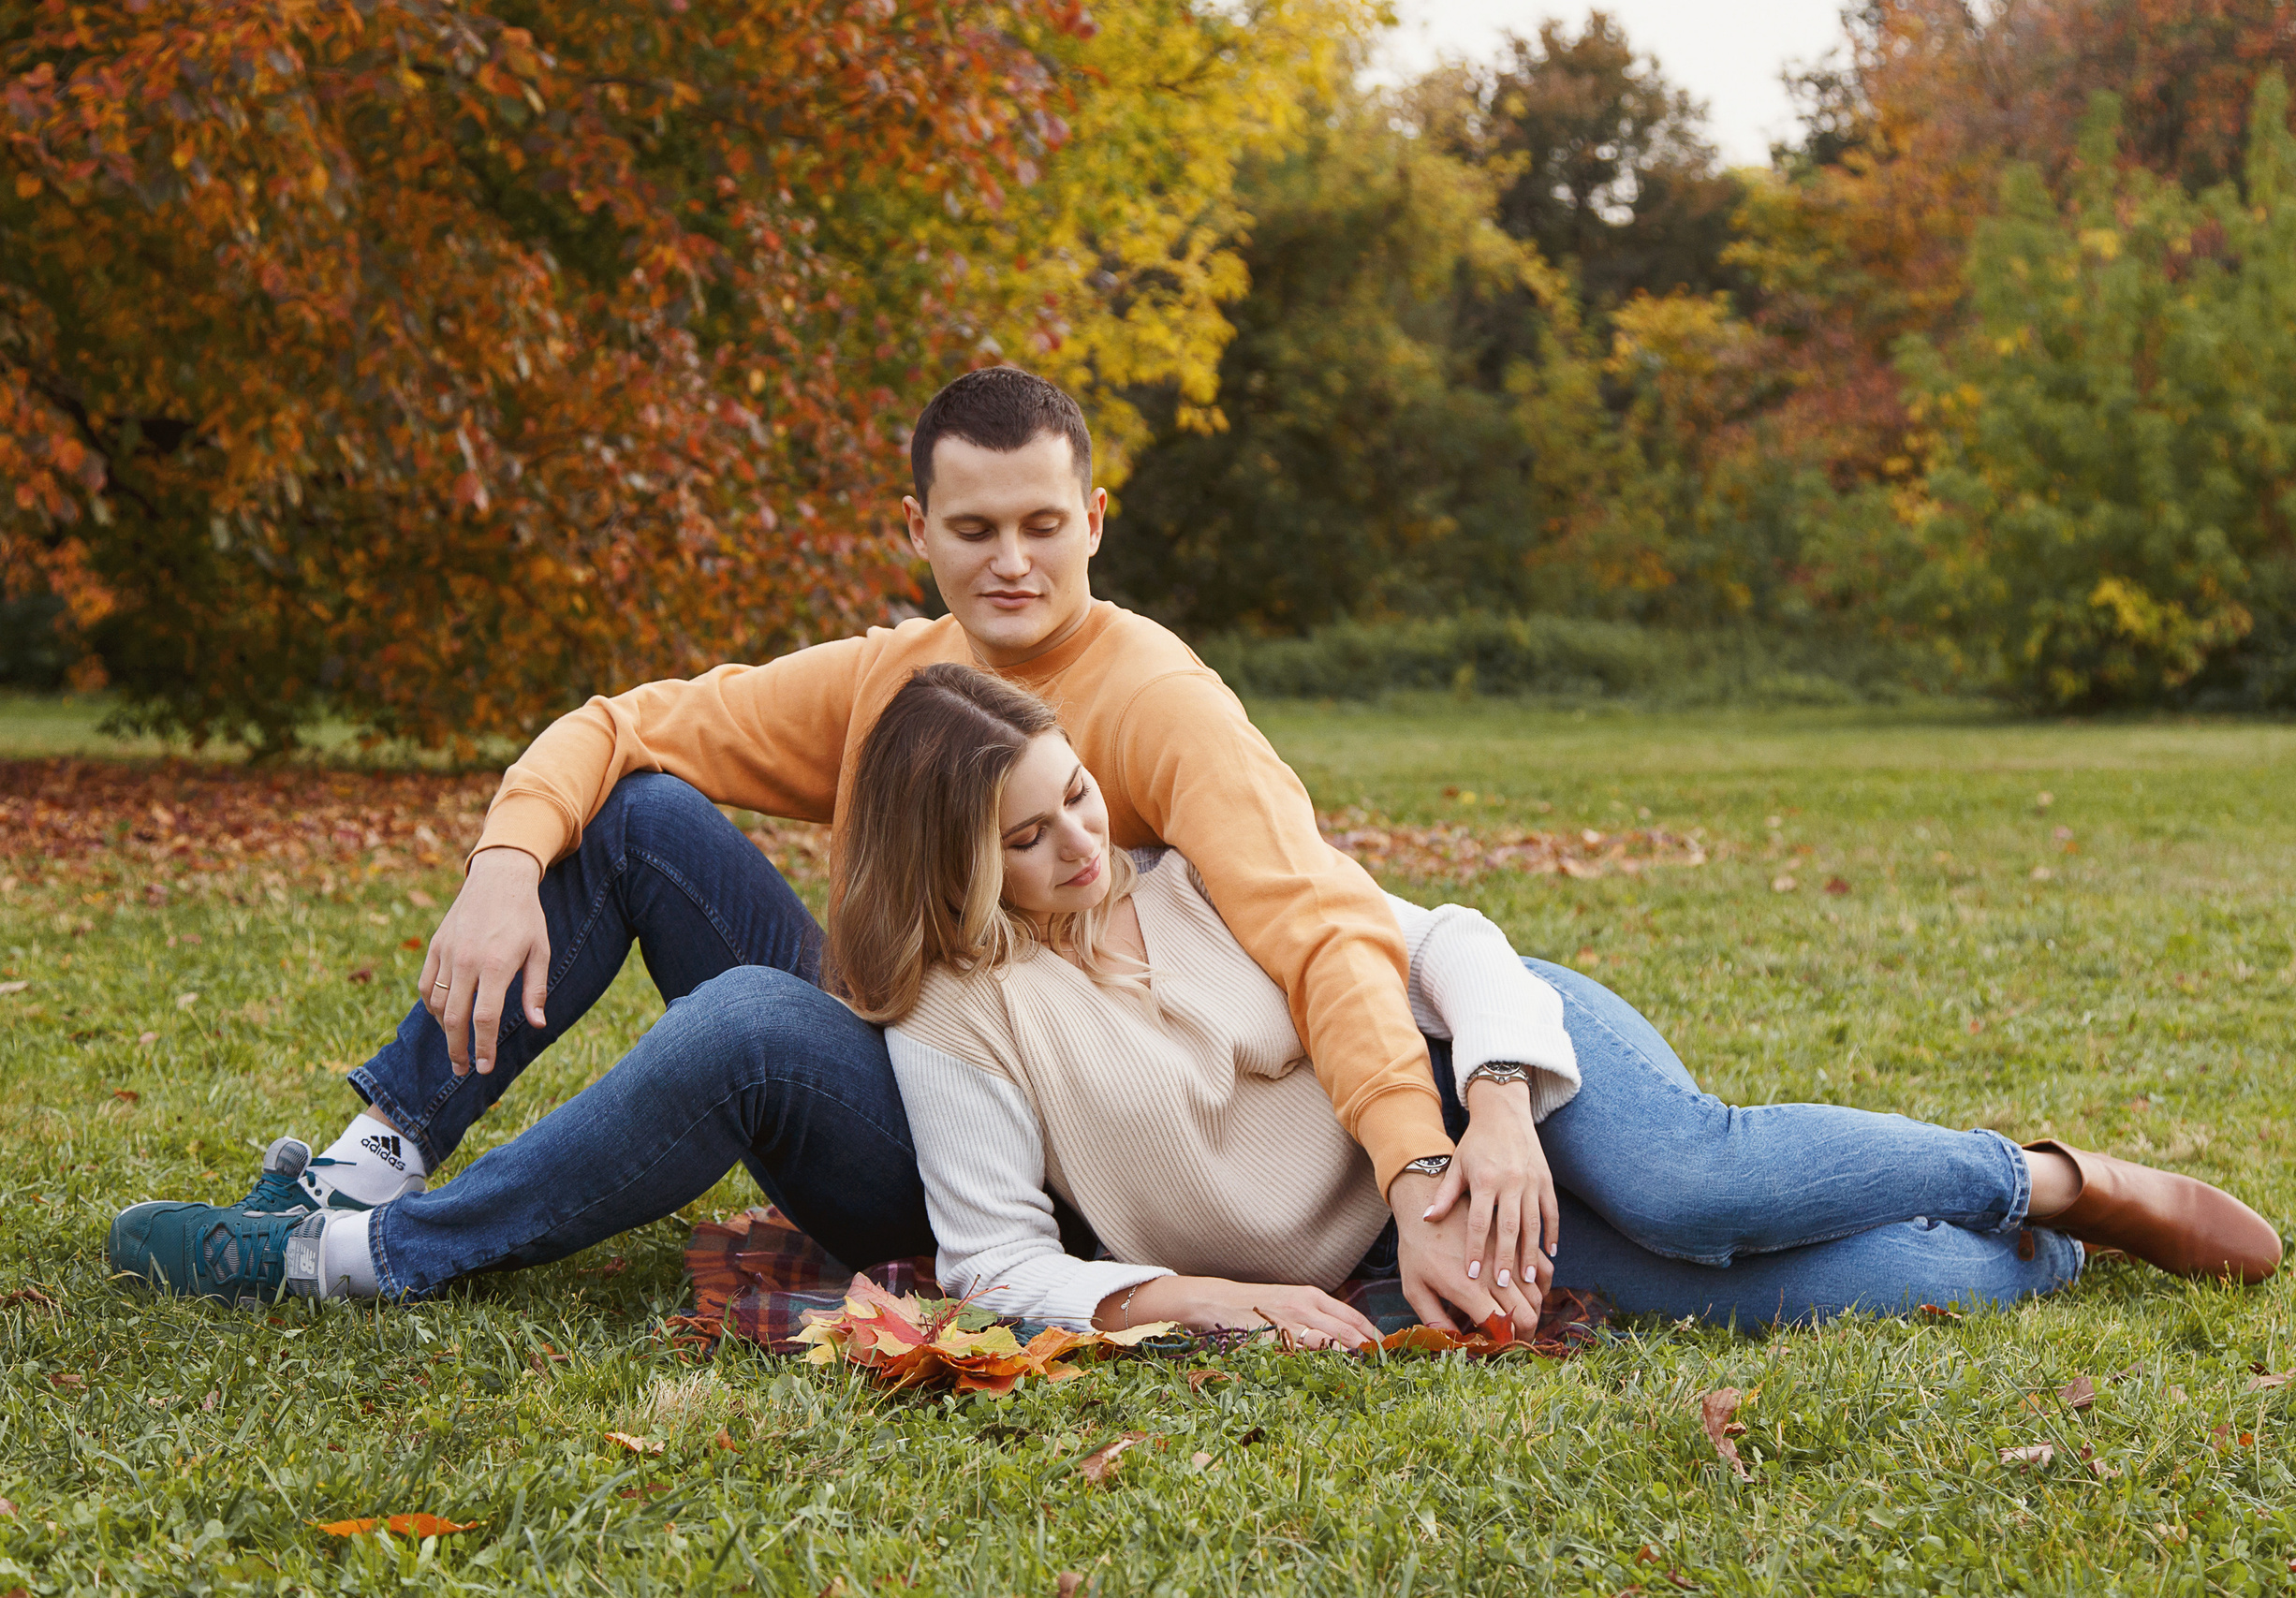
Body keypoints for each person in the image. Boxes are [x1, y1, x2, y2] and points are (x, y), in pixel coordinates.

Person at [109, 368, 1551, 1331]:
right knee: (645, 817)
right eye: (973, 528)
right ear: (913, 525)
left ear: (1095, 523)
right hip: (910, 1043)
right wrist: (501, 865)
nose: (1013, 565)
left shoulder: (1161, 705)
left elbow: (1321, 930)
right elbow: (624, 723)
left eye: (1046, 527)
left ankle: (367, 1261)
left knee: (744, 1026)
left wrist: (1418, 1167)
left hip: (1050, 1152)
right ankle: (378, 1154)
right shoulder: (893, 677)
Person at [852, 665, 2279, 1341]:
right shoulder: (955, 1017)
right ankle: (2044, 1252)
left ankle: (2052, 1178)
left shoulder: (1196, 876)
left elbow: (1450, 942)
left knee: (1687, 1187)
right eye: (1026, 840)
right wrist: (1229, 1301)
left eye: (1080, 798)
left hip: (1495, 1077)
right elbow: (991, 1261)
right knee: (1863, 1293)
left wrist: (1497, 1108)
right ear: (953, 863)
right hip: (1374, 1254)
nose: (1083, 848)